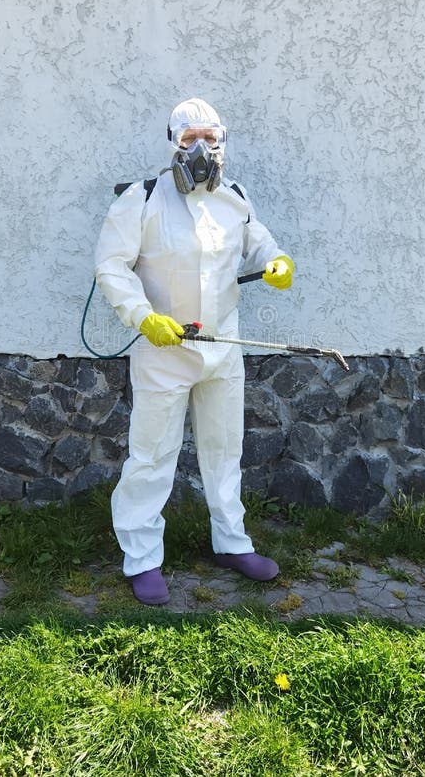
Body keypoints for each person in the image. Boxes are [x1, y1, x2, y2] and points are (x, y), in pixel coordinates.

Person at [94, 98, 295, 605]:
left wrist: (276, 262)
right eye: (189, 140)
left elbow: (260, 244)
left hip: (223, 347)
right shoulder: (140, 201)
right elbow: (112, 266)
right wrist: (143, 318)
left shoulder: (233, 198)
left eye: (209, 137)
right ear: (172, 143)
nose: (200, 149)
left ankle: (232, 543)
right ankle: (142, 557)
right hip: (164, 350)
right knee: (152, 454)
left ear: (222, 141)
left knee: (225, 450)